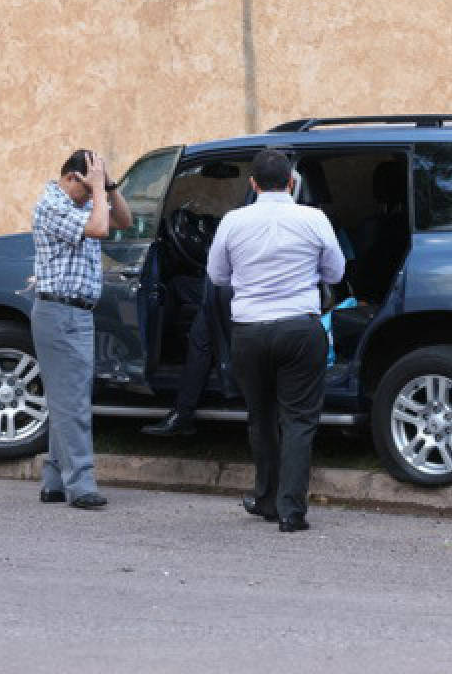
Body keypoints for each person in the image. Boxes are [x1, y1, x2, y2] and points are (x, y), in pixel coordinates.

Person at [206, 149, 345, 533]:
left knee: (261, 418)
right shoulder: (313, 218)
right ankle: (291, 510)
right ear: (291, 182)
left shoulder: (233, 221)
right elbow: (335, 272)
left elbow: (217, 275)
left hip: (249, 331)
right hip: (299, 328)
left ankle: (265, 498)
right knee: (299, 420)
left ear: (252, 183)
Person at [29, 149, 131, 509]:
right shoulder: (52, 205)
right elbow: (100, 227)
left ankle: (55, 481)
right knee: (73, 405)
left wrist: (109, 185)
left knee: (67, 399)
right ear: (72, 178)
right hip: (60, 313)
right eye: (87, 190)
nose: (92, 198)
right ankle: (81, 485)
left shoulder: (81, 203)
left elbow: (123, 221)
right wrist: (97, 193)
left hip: (76, 315)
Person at [139, 274, 216, 437]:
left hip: (235, 294)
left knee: (200, 340)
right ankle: (182, 414)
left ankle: (182, 414)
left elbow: (218, 272)